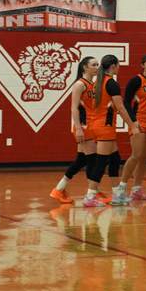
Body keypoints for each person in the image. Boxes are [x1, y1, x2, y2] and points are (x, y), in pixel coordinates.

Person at [83, 55, 139, 207]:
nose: (119, 67)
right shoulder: (111, 83)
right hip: (104, 127)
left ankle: (117, 194)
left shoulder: (98, 83)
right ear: (113, 66)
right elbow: (120, 107)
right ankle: (90, 196)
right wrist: (132, 125)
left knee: (114, 159)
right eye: (118, 65)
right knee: (101, 163)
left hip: (97, 125)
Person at [49, 57, 99, 204]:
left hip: (90, 125)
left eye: (98, 65)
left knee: (81, 160)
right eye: (94, 65)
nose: (97, 67)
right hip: (83, 126)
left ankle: (58, 189)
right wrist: (78, 128)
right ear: (84, 67)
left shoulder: (93, 84)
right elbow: (74, 108)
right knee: (93, 160)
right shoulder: (79, 84)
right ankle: (93, 193)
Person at [117, 54, 146, 203]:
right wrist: (133, 122)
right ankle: (121, 188)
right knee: (136, 155)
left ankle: (136, 189)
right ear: (143, 65)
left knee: (144, 158)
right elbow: (126, 103)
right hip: (140, 121)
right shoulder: (136, 81)